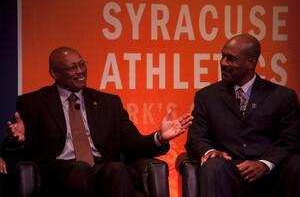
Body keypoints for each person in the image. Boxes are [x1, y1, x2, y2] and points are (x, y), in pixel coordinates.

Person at [3, 46, 193, 197]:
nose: (80, 72)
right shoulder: (33, 102)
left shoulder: (108, 102)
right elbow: (16, 148)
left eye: (82, 64)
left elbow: (132, 143)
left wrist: (159, 137)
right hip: (57, 172)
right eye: (72, 67)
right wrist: (17, 140)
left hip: (100, 167)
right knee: (80, 169)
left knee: (117, 169)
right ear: (54, 73)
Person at [185, 34, 300, 197]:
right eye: (223, 56)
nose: (223, 63)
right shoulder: (206, 96)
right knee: (213, 166)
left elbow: (291, 139)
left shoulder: (282, 96)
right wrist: (209, 151)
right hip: (228, 171)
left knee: (296, 163)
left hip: (272, 173)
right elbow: (196, 137)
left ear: (250, 63)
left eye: (231, 59)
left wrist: (265, 164)